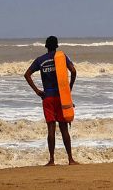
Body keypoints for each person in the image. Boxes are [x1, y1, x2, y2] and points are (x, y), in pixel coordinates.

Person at [24, 36, 79, 166]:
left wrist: (37, 91)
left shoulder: (40, 60)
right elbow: (73, 71)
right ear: (57, 46)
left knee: (51, 128)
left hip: (48, 97)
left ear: (46, 46)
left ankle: (52, 160)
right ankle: (70, 159)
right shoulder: (62, 57)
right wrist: (68, 89)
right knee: (64, 128)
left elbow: (27, 75)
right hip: (61, 97)